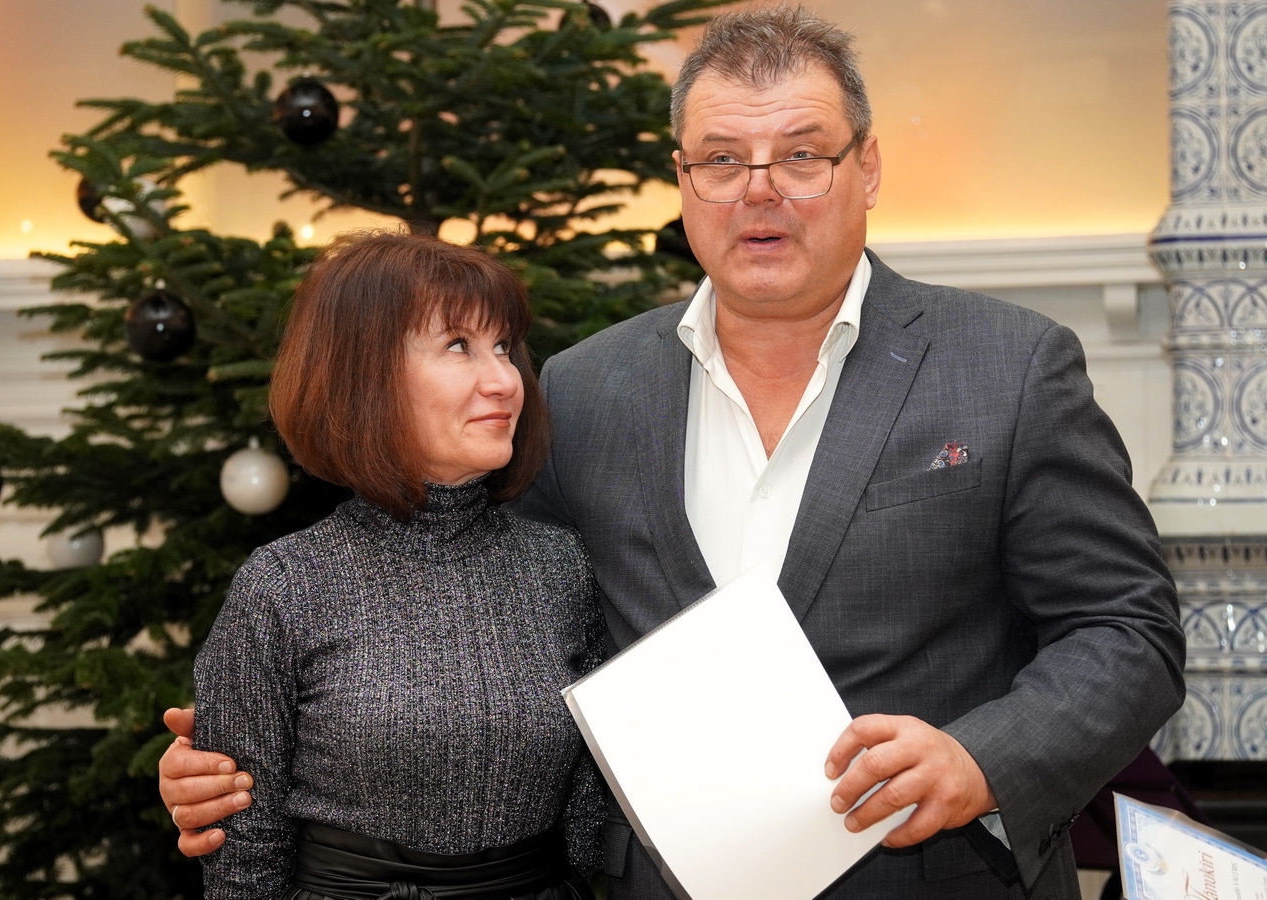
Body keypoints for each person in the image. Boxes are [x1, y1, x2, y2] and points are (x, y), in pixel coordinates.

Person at [162, 8, 1187, 899]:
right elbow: (471, 609)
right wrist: (252, 757)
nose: (759, 192)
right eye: (722, 160)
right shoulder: (584, 389)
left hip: (937, 880)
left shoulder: (1010, 366)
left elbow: (1127, 629)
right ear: (683, 178)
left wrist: (981, 759)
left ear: (867, 166)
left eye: (801, 155)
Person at [184, 231, 605, 900]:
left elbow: (591, 817)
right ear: (366, 377)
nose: (504, 380)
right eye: (458, 346)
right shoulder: (285, 586)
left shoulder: (560, 568)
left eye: (503, 347)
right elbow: (243, 862)